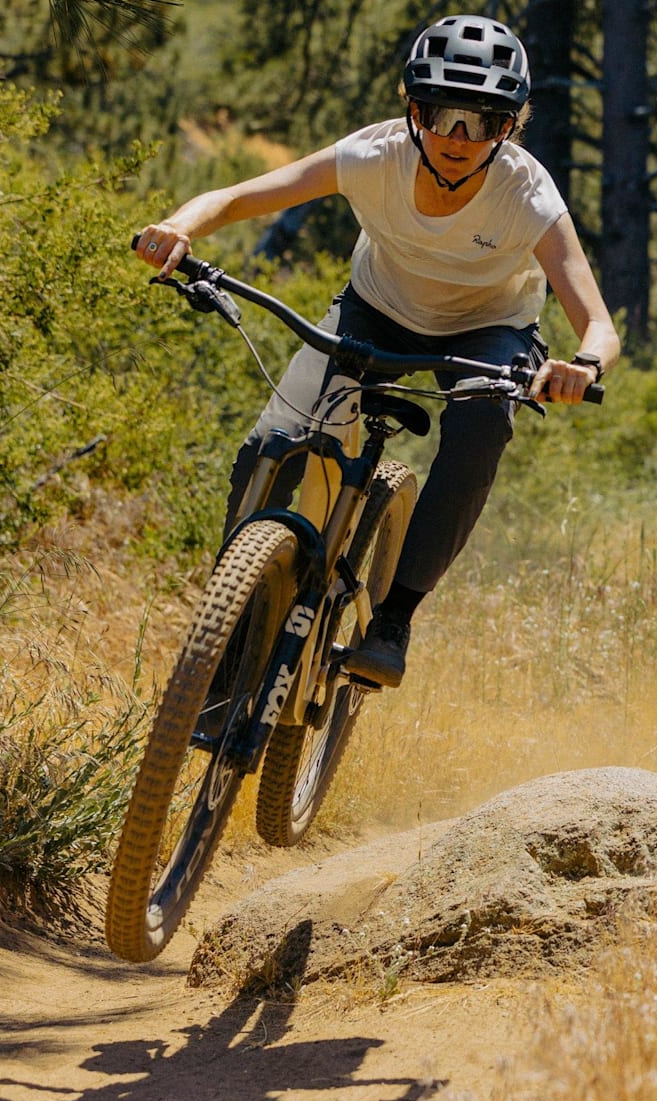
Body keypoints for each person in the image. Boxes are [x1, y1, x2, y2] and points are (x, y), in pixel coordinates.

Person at [133, 14, 619, 689]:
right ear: (413, 108)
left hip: (486, 330)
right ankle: (233, 617)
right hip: (378, 309)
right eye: (443, 114)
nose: (459, 138)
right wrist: (180, 226)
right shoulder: (375, 156)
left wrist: (582, 367)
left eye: (483, 121)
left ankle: (394, 619)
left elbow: (598, 323)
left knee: (482, 425)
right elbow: (240, 196)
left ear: (509, 126)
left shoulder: (527, 193)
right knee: (272, 442)